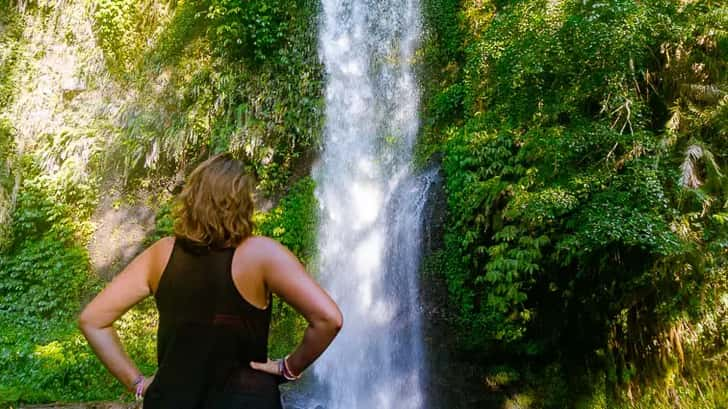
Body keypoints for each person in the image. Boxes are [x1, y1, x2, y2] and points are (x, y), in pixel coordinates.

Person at [78, 152, 343, 408]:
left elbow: (93, 320)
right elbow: (328, 319)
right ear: (243, 202)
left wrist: (136, 382)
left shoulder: (161, 253)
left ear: (192, 199)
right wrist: (289, 368)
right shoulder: (262, 255)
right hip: (247, 400)